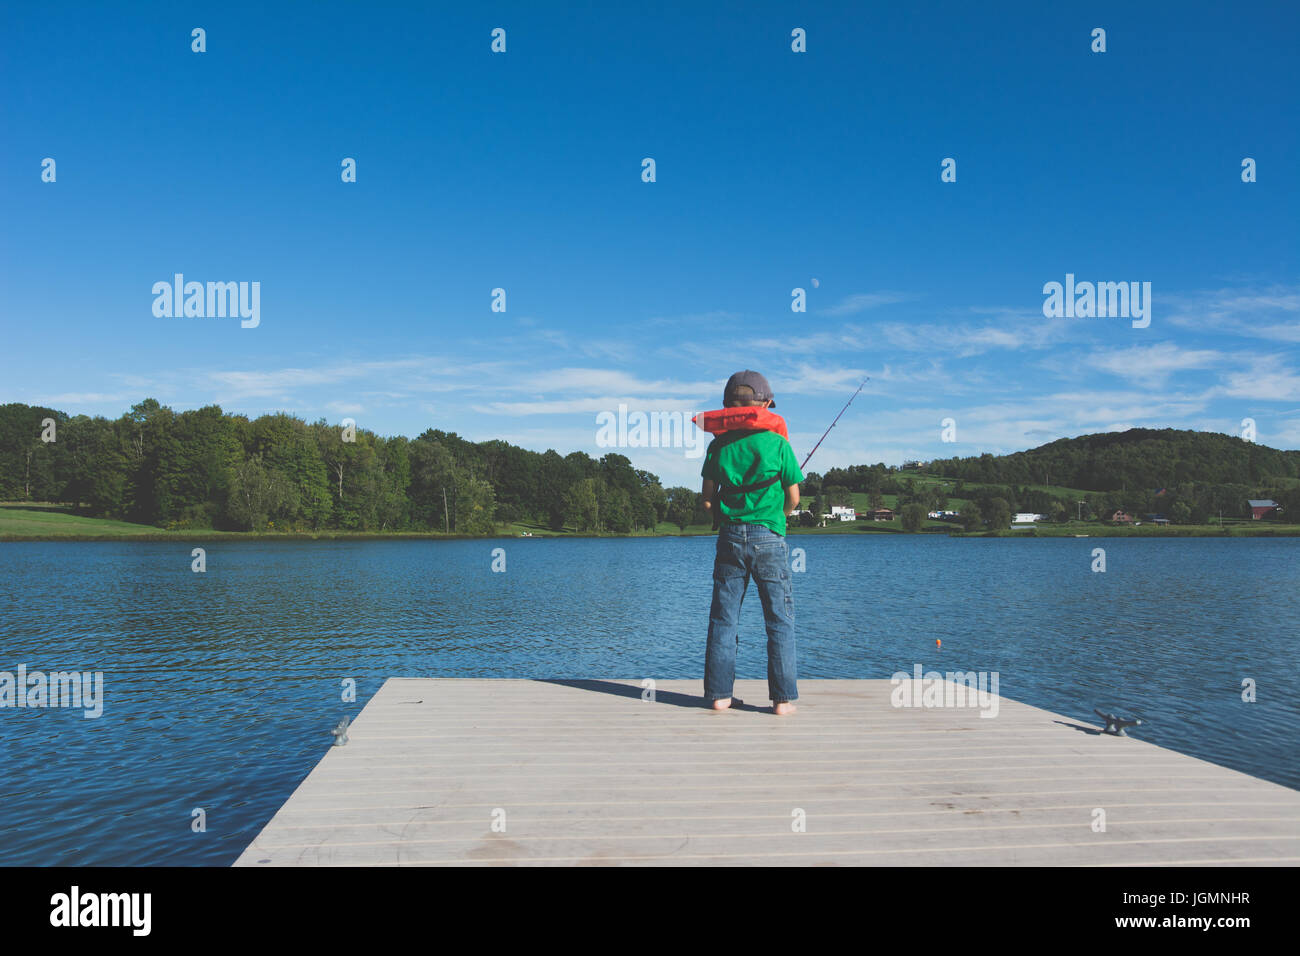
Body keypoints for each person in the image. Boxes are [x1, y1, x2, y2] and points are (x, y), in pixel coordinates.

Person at [698, 370, 803, 715]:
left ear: (727, 407)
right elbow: (794, 497)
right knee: (779, 620)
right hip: (769, 537)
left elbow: (708, 500)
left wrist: (722, 515)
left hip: (729, 537)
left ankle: (719, 696)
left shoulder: (718, 446)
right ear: (767, 404)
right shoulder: (779, 445)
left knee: (724, 620)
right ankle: (783, 701)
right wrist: (780, 515)